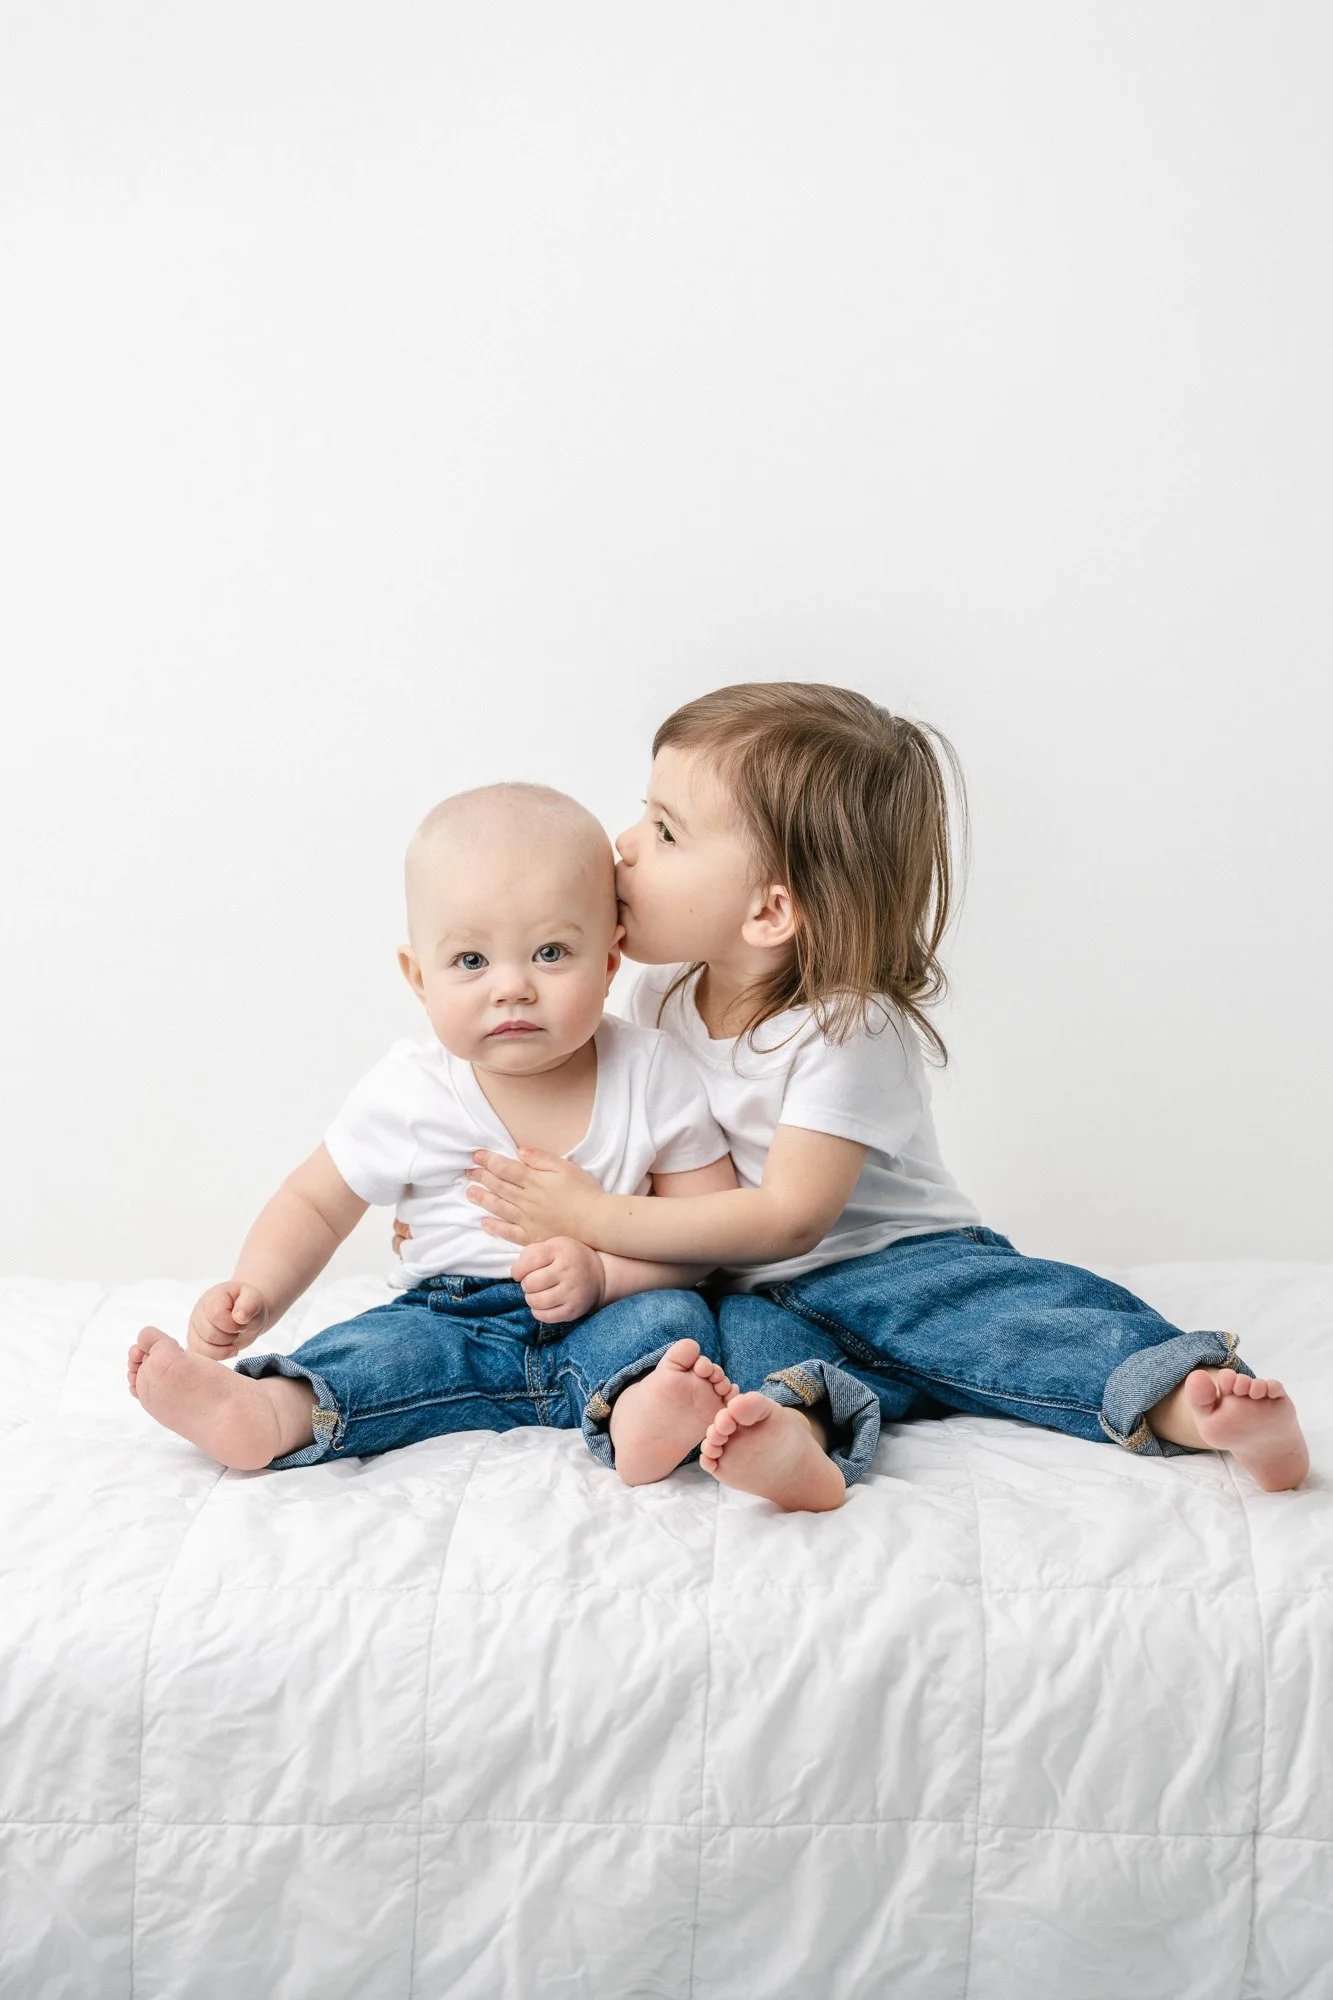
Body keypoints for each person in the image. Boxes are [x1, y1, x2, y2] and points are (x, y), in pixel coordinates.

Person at [462, 682, 1311, 1512]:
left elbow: (791, 1218)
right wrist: (444, 1203)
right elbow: (614, 1131)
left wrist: (594, 1217)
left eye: (665, 830)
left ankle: (1193, 1403)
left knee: (1017, 1332)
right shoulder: (656, 1000)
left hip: (898, 1263)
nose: (624, 845)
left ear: (769, 911)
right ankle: (795, 1444)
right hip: (755, 1289)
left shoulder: (847, 1027)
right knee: (753, 1362)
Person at [127, 782, 742, 1482]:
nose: (511, 987)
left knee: (672, 1324)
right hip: (452, 1316)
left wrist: (606, 1276)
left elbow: (706, 1234)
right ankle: (270, 1412)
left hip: (612, 1307)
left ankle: (643, 1416)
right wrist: (258, 1288)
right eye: (471, 962)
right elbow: (316, 1202)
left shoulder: (655, 1072)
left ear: (608, 961)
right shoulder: (410, 1089)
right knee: (382, 1351)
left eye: (549, 953)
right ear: (418, 978)